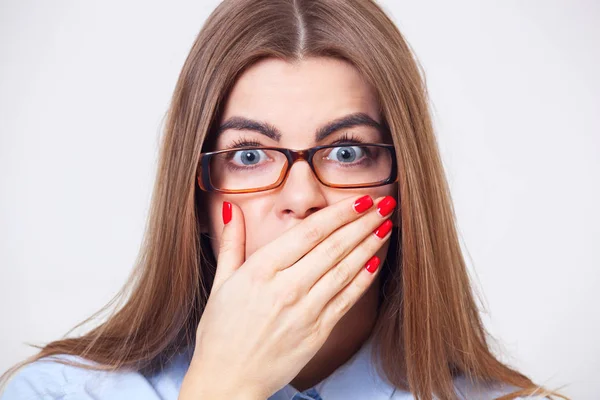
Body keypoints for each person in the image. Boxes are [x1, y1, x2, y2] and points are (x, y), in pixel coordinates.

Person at [0, 1, 569, 399]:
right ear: (198, 197)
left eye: (347, 152)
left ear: (404, 187)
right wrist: (222, 389)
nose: (302, 198)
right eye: (249, 155)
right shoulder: (57, 392)